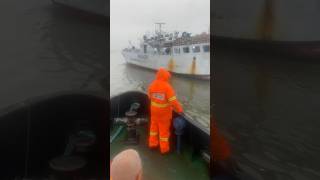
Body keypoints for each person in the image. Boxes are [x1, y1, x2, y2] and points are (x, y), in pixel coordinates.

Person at [148, 67, 184, 154]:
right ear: (166, 77)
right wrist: (180, 110)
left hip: (154, 112)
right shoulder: (167, 87)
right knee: (163, 132)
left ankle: (152, 144)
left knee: (153, 129)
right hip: (163, 114)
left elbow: (149, 97)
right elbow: (173, 102)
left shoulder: (152, 85)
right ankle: (164, 149)